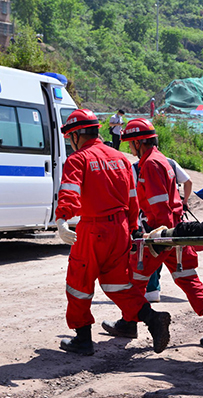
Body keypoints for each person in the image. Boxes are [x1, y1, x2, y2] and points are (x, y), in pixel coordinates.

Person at [55, 109, 171, 355]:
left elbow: (70, 191)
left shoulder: (78, 159)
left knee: (79, 283)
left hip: (93, 229)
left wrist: (62, 219)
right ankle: (153, 319)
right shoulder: (121, 159)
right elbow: (132, 198)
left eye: (70, 137)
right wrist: (132, 229)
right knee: (117, 284)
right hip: (119, 229)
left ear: (76, 135)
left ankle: (83, 340)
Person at [103, 118, 203, 348]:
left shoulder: (150, 164)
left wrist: (157, 238)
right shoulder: (160, 160)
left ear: (139, 142)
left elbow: (159, 206)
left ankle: (131, 323)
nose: (130, 148)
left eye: (131, 144)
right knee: (187, 278)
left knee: (134, 278)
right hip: (173, 233)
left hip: (161, 233)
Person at [143, 157, 194, 303]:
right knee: (171, 251)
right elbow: (188, 182)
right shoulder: (170, 162)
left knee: (152, 250)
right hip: (175, 217)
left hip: (152, 217)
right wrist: (185, 202)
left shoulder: (141, 166)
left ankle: (152, 288)